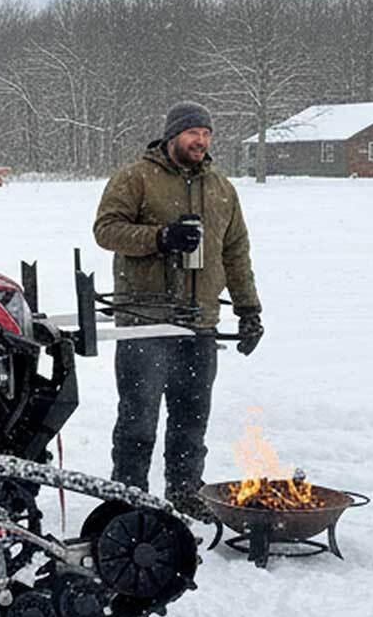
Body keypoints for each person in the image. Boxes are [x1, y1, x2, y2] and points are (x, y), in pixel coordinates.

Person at [92, 100, 262, 515]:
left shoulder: (221, 188)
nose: (200, 141)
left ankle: (185, 494)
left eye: (206, 134)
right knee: (138, 419)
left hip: (199, 322)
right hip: (145, 321)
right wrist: (160, 237)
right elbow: (106, 230)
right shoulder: (136, 178)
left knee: (191, 420)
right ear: (173, 136)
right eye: (193, 133)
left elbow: (236, 253)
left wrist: (249, 310)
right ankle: (128, 498)